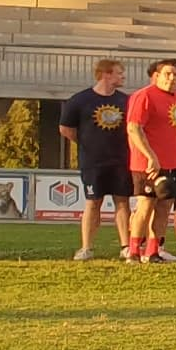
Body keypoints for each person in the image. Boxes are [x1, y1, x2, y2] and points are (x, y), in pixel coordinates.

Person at [58, 58, 131, 263]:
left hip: (121, 160)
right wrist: (87, 145)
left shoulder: (125, 100)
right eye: (119, 73)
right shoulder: (80, 100)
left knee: (122, 202)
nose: (122, 77)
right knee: (93, 203)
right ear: (106, 74)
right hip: (92, 162)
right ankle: (86, 248)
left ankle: (126, 247)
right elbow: (65, 129)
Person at [122, 55, 176, 263]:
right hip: (148, 164)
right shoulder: (144, 96)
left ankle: (153, 251)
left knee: (164, 208)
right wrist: (150, 156)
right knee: (145, 206)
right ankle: (133, 251)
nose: (172, 78)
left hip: (174, 162)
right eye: (167, 74)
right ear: (157, 76)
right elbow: (133, 128)